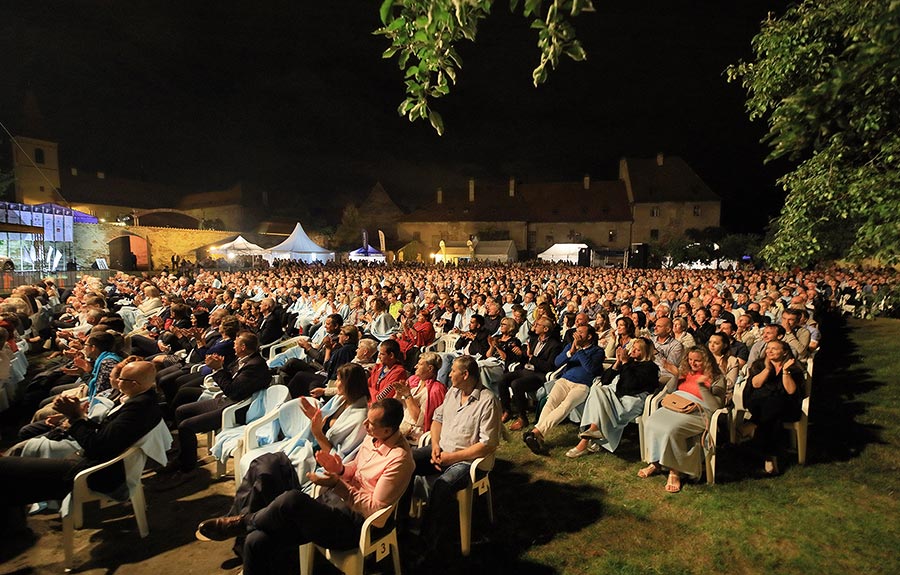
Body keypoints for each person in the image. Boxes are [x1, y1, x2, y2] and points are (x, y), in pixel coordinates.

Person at [194, 398, 414, 575]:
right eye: (366, 420)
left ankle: (242, 521)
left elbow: (375, 509)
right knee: (256, 540)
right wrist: (340, 470)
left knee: (292, 499)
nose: (365, 426)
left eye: (371, 424)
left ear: (388, 431)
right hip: (332, 505)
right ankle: (246, 527)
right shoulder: (373, 438)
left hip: (355, 524)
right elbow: (355, 468)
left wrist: (338, 484)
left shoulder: (399, 460)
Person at [0, 361, 162, 513]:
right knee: (18, 457)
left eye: (121, 378)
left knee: (9, 469)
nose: (118, 381)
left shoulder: (137, 408)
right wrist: (79, 418)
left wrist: (75, 417)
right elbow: (107, 434)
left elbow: (97, 446)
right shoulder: (143, 400)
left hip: (97, 473)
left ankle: (14, 526)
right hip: (98, 461)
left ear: (134, 384)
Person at [407, 355, 500, 560]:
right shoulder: (453, 392)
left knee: (443, 486)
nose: (449, 374)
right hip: (442, 450)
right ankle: (401, 524)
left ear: (465, 374)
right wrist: (436, 446)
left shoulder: (487, 401)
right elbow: (437, 420)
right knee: (406, 463)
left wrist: (452, 457)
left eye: (452, 372)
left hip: (467, 460)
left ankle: (427, 543)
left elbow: (487, 444)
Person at [161, 331, 271, 487]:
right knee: (182, 411)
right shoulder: (244, 359)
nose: (233, 345)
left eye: (236, 343)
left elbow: (232, 390)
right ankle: (184, 455)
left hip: (237, 408)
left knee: (187, 426)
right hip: (227, 400)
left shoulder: (255, 366)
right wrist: (219, 367)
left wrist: (218, 370)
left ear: (243, 347)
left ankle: (188, 469)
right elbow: (231, 381)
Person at [639, 347, 725, 493]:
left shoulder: (717, 377)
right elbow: (671, 391)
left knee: (671, 430)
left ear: (706, 360)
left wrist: (702, 387)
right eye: (690, 359)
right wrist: (676, 375)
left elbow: (716, 406)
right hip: (677, 404)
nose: (693, 363)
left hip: (699, 411)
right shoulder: (686, 372)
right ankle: (655, 462)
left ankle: (675, 471)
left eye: (697, 360)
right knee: (650, 422)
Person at [567, 337, 660, 457]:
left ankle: (586, 439)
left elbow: (629, 386)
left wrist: (625, 363)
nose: (633, 352)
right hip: (617, 396)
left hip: (631, 401)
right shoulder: (630, 363)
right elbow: (605, 380)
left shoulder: (650, 367)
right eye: (633, 349)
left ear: (645, 352)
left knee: (598, 392)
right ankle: (592, 434)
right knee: (598, 390)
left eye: (637, 350)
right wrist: (617, 363)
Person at [523, 324, 605, 455]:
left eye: (581, 333)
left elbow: (590, 368)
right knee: (550, 403)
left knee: (564, 406)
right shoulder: (570, 346)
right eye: (576, 331)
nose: (577, 335)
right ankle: (537, 436)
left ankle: (535, 433)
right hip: (565, 380)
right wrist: (571, 351)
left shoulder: (597, 351)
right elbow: (557, 362)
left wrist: (580, 351)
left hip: (582, 385)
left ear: (589, 336)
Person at [743, 340, 805, 475]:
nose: (769, 351)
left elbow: (791, 392)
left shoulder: (794, 367)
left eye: (774, 349)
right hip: (759, 405)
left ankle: (754, 425)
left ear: (785, 352)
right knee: (770, 409)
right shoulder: (759, 365)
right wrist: (767, 369)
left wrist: (785, 371)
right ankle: (771, 458)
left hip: (786, 408)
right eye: (768, 348)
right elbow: (756, 384)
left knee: (773, 410)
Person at [502, 317, 563, 430]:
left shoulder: (555, 345)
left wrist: (531, 357)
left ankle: (522, 418)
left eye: (537, 324)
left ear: (545, 329)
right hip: (526, 370)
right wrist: (522, 354)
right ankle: (507, 410)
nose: (534, 326)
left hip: (538, 375)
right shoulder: (534, 340)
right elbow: (526, 358)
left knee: (516, 384)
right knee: (503, 379)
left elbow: (549, 366)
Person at [393, 351, 446, 442]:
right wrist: (398, 395)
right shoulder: (413, 381)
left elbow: (419, 420)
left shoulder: (436, 390)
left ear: (430, 368)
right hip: (400, 424)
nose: (415, 366)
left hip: (415, 434)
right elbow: (396, 407)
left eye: (420, 364)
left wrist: (407, 395)